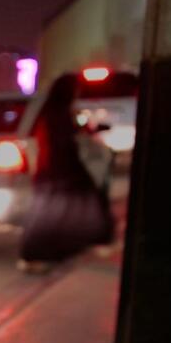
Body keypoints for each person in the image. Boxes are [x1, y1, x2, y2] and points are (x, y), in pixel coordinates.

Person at [19, 72, 114, 269]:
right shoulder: (57, 113)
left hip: (53, 169)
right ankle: (40, 253)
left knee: (53, 211)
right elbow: (62, 140)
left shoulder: (51, 110)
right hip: (59, 168)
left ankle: (42, 253)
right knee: (60, 210)